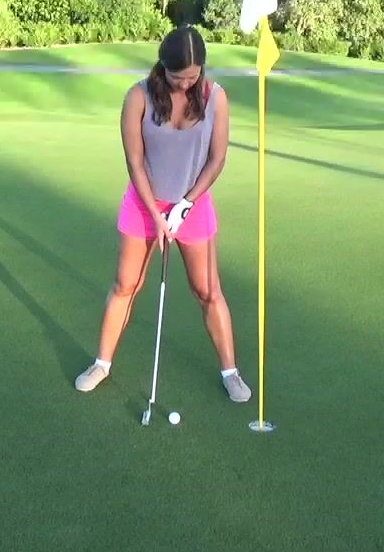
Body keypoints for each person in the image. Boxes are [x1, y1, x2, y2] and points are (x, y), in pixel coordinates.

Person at [74, 26, 252, 403]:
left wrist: (185, 204)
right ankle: (101, 364)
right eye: (177, 77)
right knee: (125, 285)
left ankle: (230, 372)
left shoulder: (216, 97)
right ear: (162, 67)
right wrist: (156, 216)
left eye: (193, 76)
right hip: (144, 204)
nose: (186, 84)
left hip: (194, 204)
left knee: (207, 290)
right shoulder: (138, 97)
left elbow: (217, 159)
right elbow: (134, 162)